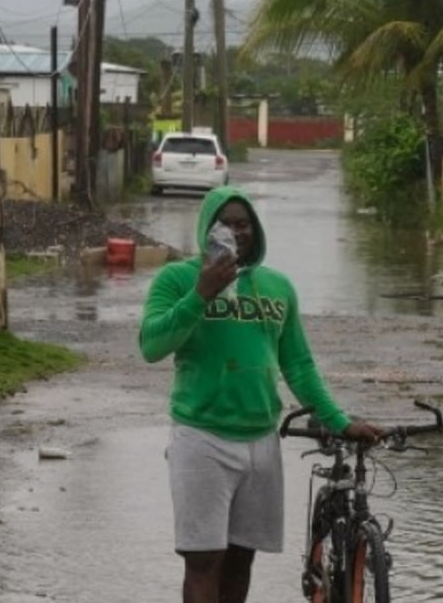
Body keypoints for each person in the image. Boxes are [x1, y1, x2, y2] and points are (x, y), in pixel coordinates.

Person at [139, 186, 383, 603]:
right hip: (202, 438)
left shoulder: (277, 287)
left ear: (255, 230)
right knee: (203, 561)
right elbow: (151, 346)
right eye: (224, 223)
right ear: (206, 229)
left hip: (261, 441)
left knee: (240, 562)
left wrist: (340, 421)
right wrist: (201, 294)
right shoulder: (177, 278)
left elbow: (299, 366)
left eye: (243, 223)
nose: (235, 231)